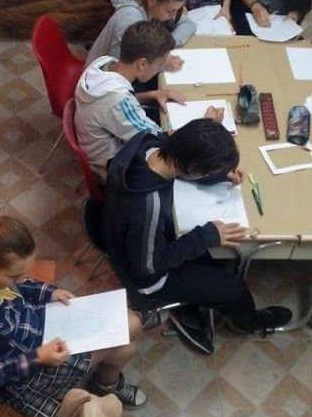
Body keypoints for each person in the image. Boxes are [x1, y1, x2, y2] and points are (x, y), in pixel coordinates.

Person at [100, 119, 292, 354]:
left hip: (134, 237)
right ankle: (250, 322)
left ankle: (191, 307)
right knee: (234, 288)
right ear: (193, 168)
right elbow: (148, 268)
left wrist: (219, 175)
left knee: (217, 261)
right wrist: (205, 236)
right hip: (150, 278)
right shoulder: (148, 206)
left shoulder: (151, 144)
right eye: (209, 171)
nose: (211, 174)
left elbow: (185, 166)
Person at [0, 212, 146, 417]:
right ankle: (105, 384)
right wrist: (37, 358)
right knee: (129, 335)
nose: (21, 280)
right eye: (14, 276)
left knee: (128, 338)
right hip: (27, 371)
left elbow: (18, 285)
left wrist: (49, 293)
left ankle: (105, 384)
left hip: (34, 326)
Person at [75, 20, 223, 181]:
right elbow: (161, 139)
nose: (160, 68)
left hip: (108, 141)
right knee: (190, 166)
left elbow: (115, 108)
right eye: (160, 63)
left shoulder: (104, 63)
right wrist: (206, 124)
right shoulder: (117, 102)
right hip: (116, 168)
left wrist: (151, 94)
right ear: (142, 64)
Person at [86, 0, 193, 70]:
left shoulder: (154, 5)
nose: (173, 16)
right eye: (170, 11)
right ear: (151, 1)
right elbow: (118, 67)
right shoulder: (130, 19)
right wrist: (162, 64)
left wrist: (167, 45)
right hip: (99, 75)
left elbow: (189, 24)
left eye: (177, 10)